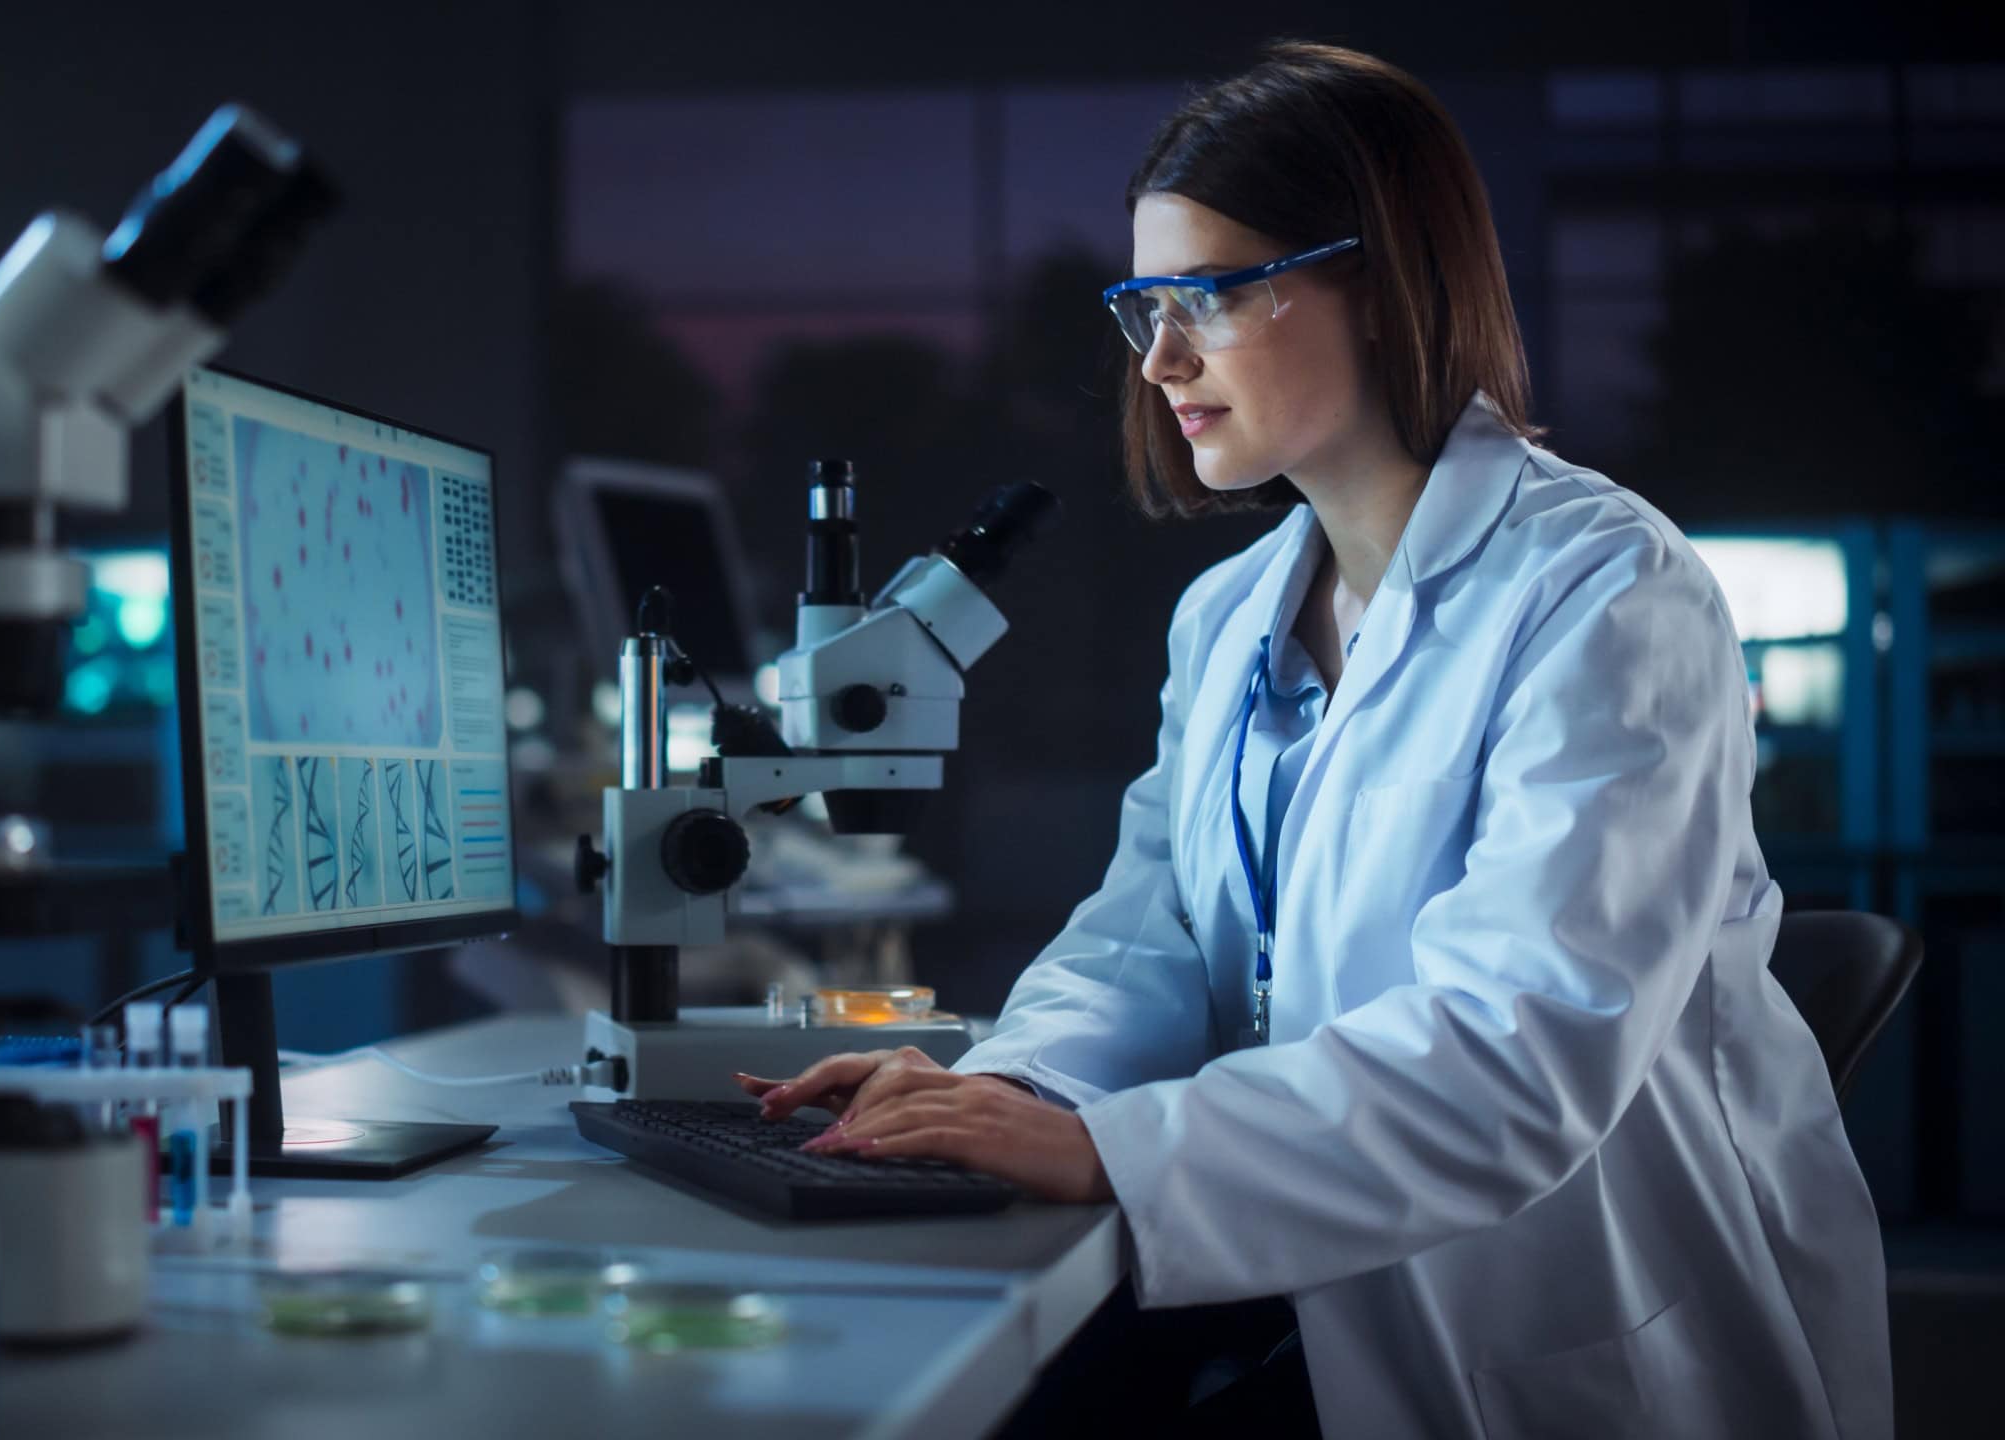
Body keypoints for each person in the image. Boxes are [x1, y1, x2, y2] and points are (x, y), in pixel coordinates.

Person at [735, 41, 1891, 1440]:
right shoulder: (1229, 617)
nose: (1161, 360)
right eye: (1144, 307)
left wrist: (1109, 1151)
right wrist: (1005, 1092)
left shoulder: (1607, 595)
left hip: (1560, 1348)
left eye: (1210, 298)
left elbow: (1516, 1055)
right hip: (1307, 1288)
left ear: (1384, 285)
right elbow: (1148, 941)